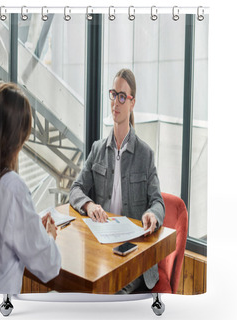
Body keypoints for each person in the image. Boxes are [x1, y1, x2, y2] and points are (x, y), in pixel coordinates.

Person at [69, 68, 165, 293]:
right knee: (77, 286)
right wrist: (89, 204)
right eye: (114, 94)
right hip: (102, 250)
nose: (116, 102)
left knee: (109, 292)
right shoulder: (97, 149)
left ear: (132, 102)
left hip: (133, 256)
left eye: (123, 96)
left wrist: (153, 214)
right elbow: (75, 189)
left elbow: (158, 202)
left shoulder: (145, 154)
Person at [0, 83, 61, 293]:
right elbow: (49, 266)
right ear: (19, 137)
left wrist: (31, 224)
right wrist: (49, 235)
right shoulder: (13, 187)